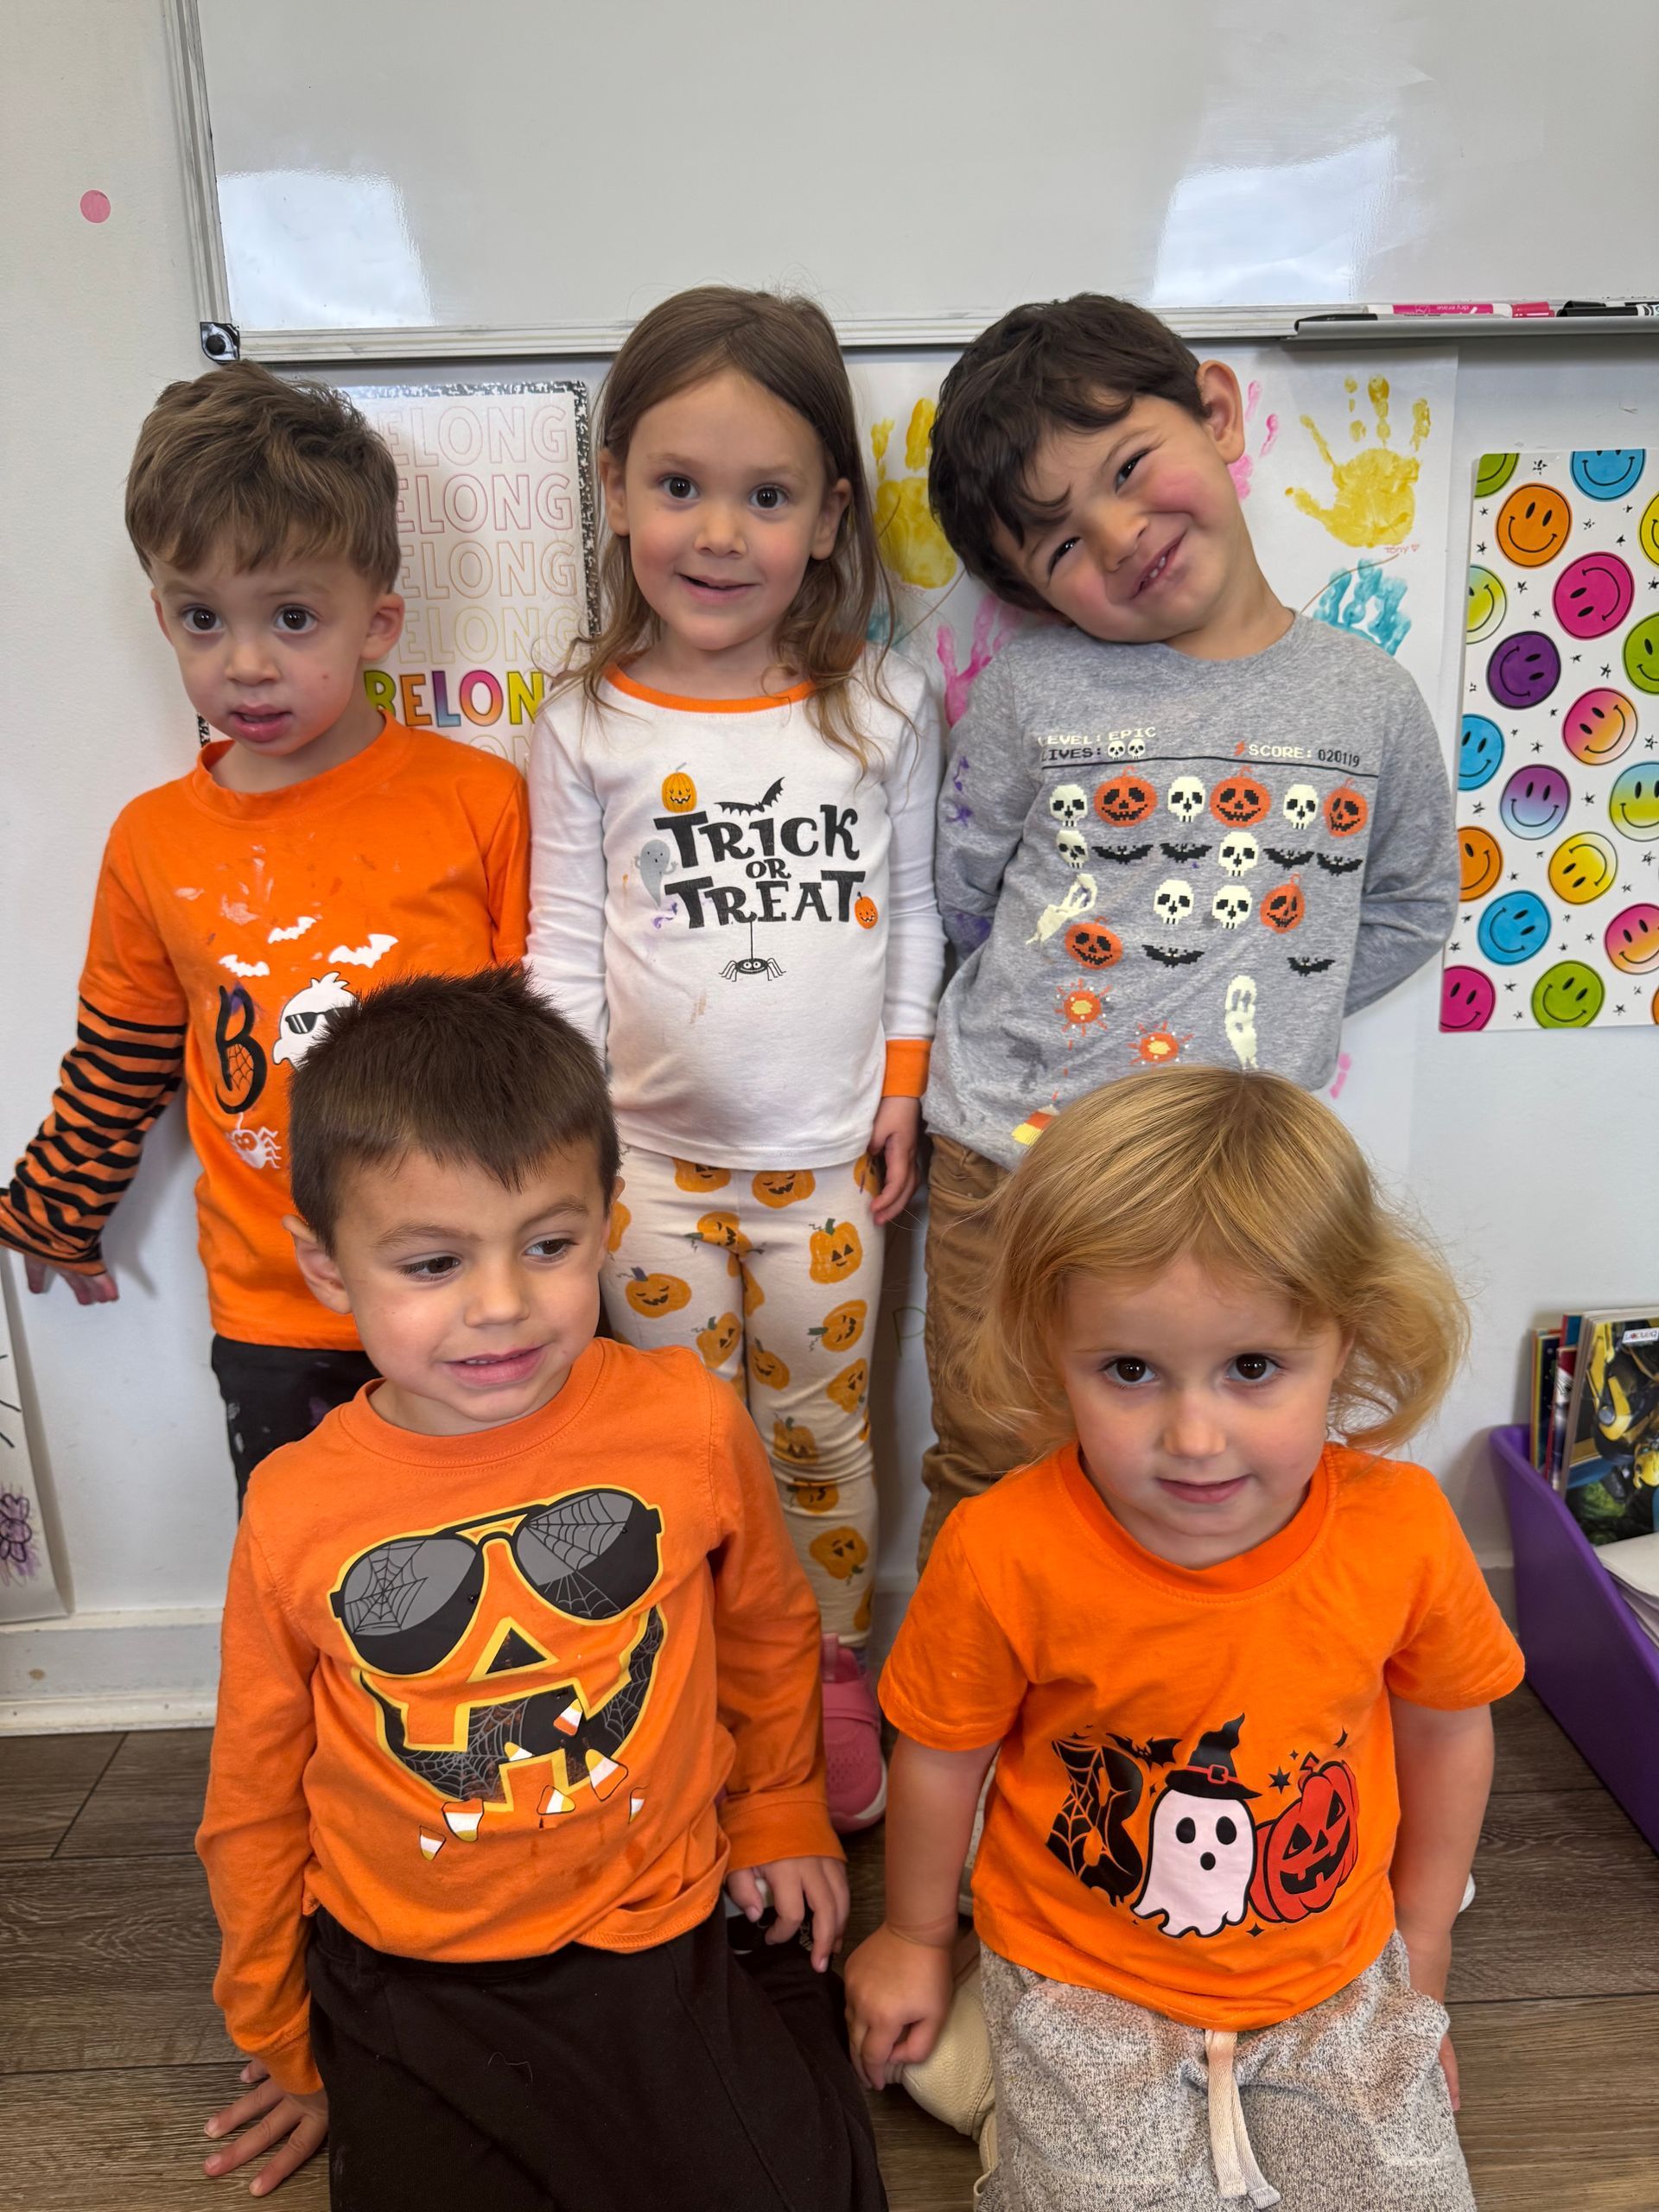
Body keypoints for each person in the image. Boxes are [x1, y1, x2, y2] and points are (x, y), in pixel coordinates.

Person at [195, 964, 884, 2211]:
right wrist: (283, 2041)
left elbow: (771, 1628)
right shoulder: (297, 1505)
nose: (502, 1307)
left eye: (550, 1245)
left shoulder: (683, 1419)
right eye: (432, 1264)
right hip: (407, 1964)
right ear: (329, 1266)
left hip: (657, 1924)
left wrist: (783, 1812)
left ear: (610, 1221)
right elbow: (251, 1787)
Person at [846, 1064, 1522, 2210]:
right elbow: (941, 1756)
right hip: (1078, 1966)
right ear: (1051, 1350)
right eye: (1130, 1371)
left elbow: (1451, 1736)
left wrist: (1419, 1962)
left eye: (1252, 1368)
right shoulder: (1003, 1547)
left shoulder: (1401, 1528)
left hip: (1338, 1967)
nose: (1194, 1435)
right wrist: (913, 1935)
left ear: (1343, 1344)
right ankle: (992, 2060)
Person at [914, 295, 1459, 1559]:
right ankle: (955, 1732)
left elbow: (1414, 901)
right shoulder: (1029, 691)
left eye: (1126, 468)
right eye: (1056, 546)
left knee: (1207, 1483)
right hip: (1014, 1159)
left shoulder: (1369, 700)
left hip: (1232, 1188)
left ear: (1215, 414)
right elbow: (964, 893)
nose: (1118, 536)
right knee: (999, 1461)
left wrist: (1281, 988)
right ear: (1025, 589)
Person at [528, 286, 944, 1830]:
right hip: (641, 1174)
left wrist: (901, 1092)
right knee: (675, 1432)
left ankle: (830, 1664)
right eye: (679, 487)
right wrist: (569, 1152)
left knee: (822, 1437)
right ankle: (704, 1672)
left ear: (831, 516)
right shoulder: (585, 723)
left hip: (826, 1165)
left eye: (767, 496)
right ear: (616, 488)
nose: (719, 533)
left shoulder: (881, 706)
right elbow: (561, 948)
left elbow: (908, 912)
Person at [0, 361, 528, 1499]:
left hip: (472, 1291)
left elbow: (547, 1042)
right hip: (274, 1306)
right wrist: (57, 1205)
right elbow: (125, 1049)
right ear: (162, 614)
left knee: (493, 1561)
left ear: (376, 622)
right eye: (204, 618)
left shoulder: (476, 801)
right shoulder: (154, 843)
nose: (244, 663)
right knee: (313, 1576)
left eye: (292, 617)